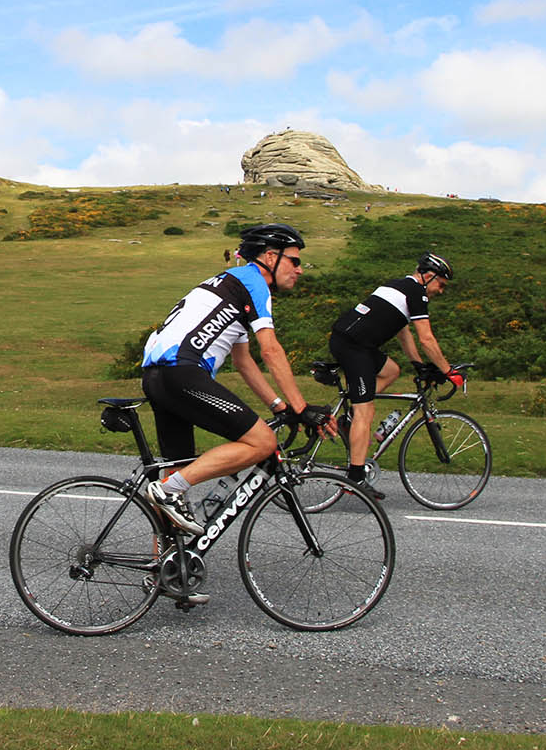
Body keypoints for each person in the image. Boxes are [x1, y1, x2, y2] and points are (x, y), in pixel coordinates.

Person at [138, 224, 332, 565]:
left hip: (158, 377)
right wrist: (302, 409)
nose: (299, 270)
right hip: (181, 372)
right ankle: (165, 491)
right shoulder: (254, 282)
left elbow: (244, 362)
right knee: (261, 443)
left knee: (179, 471)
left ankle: (165, 570)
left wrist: (280, 405)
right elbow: (270, 351)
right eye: (295, 261)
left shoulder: (229, 284)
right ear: (270, 257)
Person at [327, 252, 464, 492]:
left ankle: (350, 415)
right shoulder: (417, 293)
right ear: (429, 276)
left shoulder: (399, 285)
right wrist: (448, 371)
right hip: (354, 346)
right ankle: (355, 478)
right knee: (365, 411)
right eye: (441, 285)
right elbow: (427, 338)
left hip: (355, 342)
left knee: (391, 371)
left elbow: (404, 332)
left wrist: (418, 364)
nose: (441, 291)